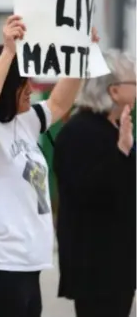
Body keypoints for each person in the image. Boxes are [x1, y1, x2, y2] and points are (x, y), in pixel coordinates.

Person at [0, 14, 99, 317]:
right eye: (24, 82)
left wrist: (81, 51)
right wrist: (9, 52)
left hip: (27, 262)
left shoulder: (27, 121)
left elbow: (61, 103)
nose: (32, 88)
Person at [53, 50, 136, 317]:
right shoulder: (80, 132)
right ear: (113, 92)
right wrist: (121, 152)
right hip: (97, 267)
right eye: (133, 84)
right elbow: (87, 191)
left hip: (117, 263)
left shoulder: (112, 128)